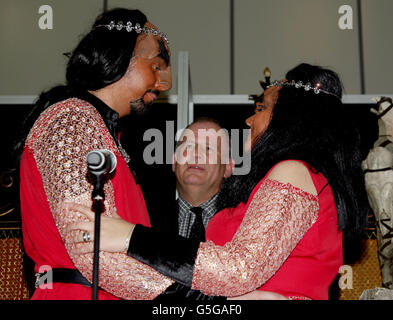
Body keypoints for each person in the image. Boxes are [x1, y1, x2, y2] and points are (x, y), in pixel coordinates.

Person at [68, 63, 371, 300]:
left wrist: (131, 236)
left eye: (261, 108)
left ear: (292, 119)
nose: (250, 121)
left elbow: (239, 269)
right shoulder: (302, 177)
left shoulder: (293, 170)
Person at [16, 8, 174, 300]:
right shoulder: (71, 119)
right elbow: (91, 246)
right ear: (122, 57)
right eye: (156, 66)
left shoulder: (100, 130)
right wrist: (186, 299)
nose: (164, 84)